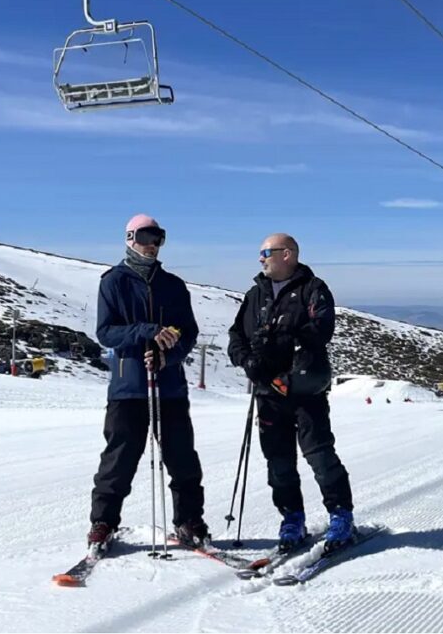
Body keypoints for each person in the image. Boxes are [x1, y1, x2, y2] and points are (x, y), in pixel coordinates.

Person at [227, 233, 355, 554]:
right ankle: (292, 518)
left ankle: (340, 514)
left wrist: (279, 344)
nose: (261, 258)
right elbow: (236, 336)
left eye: (266, 252)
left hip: (304, 388)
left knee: (320, 454)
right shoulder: (255, 294)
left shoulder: (314, 290)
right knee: (278, 461)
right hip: (268, 393)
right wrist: (248, 362)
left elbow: (319, 331)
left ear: (288, 254)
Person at [87, 214, 208, 549]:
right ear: (130, 237)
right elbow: (105, 332)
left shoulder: (174, 285)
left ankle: (189, 520)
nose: (152, 244)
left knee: (182, 458)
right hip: (129, 386)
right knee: (119, 459)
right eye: (146, 236)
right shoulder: (113, 282)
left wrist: (169, 354)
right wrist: (147, 331)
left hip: (169, 386)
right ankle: (103, 523)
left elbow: (189, 332)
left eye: (158, 237)